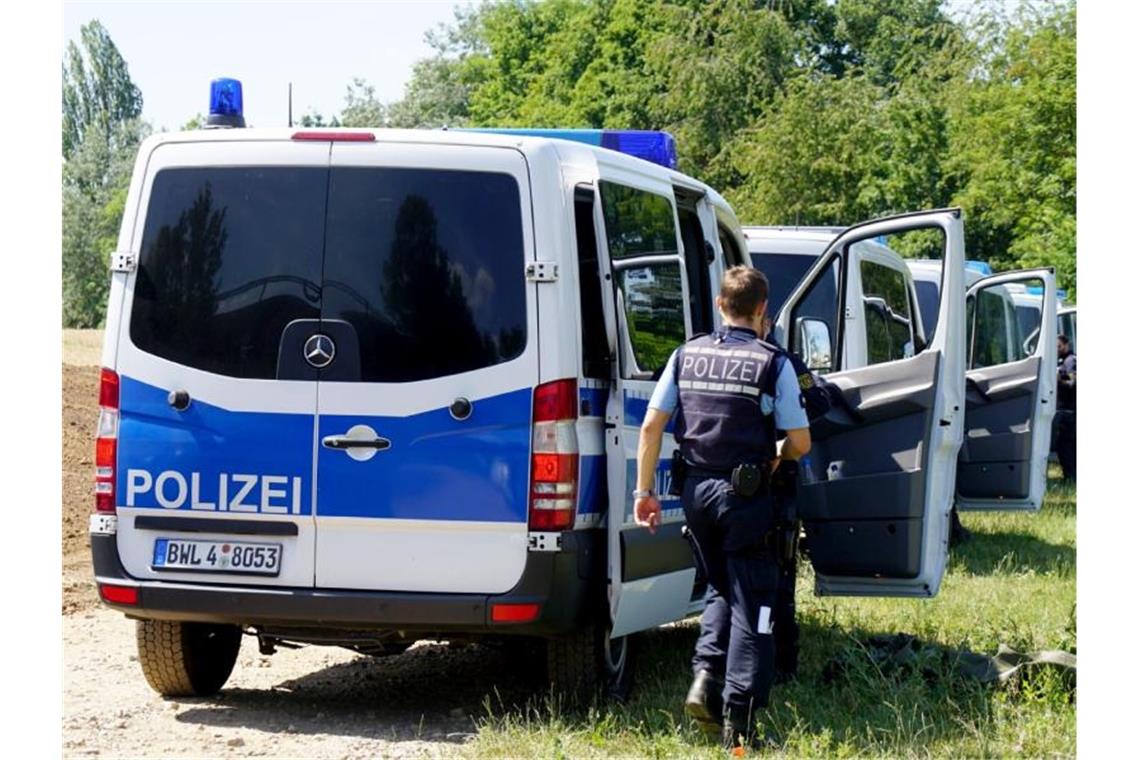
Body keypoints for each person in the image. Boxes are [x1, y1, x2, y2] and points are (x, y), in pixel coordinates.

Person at [633, 266, 811, 750]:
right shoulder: (773, 363)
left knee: (719, 587)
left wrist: (643, 493)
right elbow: (801, 440)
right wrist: (779, 456)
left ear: (718, 304)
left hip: (695, 493)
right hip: (745, 497)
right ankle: (741, 727)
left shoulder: (685, 354)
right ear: (761, 310)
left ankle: (704, 679)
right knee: (756, 606)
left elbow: (650, 429)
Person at [1054, 334, 1076, 480]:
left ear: (1066, 345)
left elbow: (1072, 380)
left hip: (1068, 411)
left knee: (1065, 446)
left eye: (1059, 346)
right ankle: (1071, 477)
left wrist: (1058, 377)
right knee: (1065, 446)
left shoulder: (1071, 361)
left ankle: (1071, 477)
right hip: (1064, 409)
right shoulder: (1063, 361)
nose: (1057, 349)